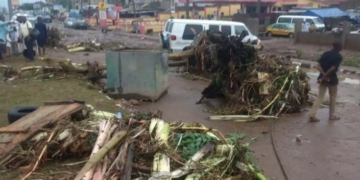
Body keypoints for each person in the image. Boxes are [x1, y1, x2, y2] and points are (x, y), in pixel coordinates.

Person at [309, 42, 343, 122]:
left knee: (320, 97)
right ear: (340, 47)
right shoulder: (338, 56)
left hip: (322, 79)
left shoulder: (325, 54)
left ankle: (312, 113)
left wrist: (323, 76)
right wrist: (326, 76)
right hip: (332, 79)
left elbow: (318, 66)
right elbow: (332, 68)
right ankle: (331, 115)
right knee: (333, 97)